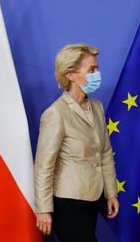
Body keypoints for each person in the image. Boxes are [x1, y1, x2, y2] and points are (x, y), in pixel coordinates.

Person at [34, 43, 119, 242]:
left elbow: (105, 152)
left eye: (97, 68)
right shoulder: (56, 113)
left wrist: (111, 193)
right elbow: (43, 166)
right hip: (67, 203)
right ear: (71, 75)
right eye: (91, 70)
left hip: (93, 198)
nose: (97, 74)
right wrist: (43, 209)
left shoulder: (97, 107)